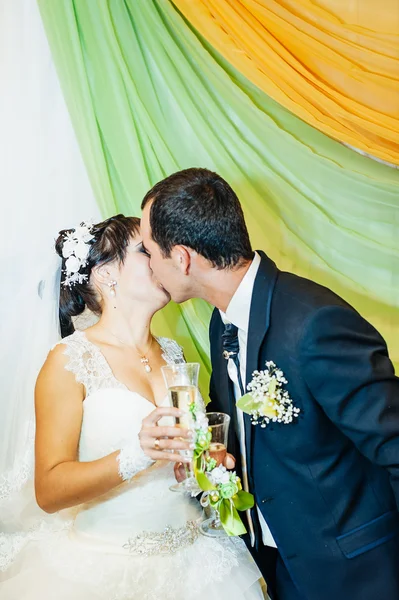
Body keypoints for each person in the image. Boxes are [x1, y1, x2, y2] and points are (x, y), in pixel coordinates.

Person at [140, 168, 399, 600]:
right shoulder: (223, 321)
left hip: (360, 574)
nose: (150, 266)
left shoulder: (315, 322)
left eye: (150, 252)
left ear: (182, 257)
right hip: (284, 566)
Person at [0, 214, 265, 600]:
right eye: (146, 250)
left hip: (196, 566)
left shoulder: (173, 354)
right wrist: (137, 454)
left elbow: (184, 457)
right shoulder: (68, 360)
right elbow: (49, 490)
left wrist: (205, 461)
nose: (163, 259)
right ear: (105, 274)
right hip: (104, 570)